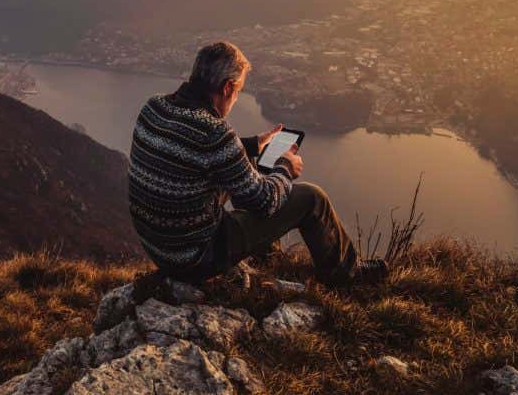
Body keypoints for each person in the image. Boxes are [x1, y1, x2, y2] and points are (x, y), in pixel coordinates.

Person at [128, 40, 387, 285]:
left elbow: (188, 149)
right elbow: (266, 202)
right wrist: (285, 168)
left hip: (159, 247)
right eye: (239, 91)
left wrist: (251, 145)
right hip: (196, 258)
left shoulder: (153, 107)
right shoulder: (215, 133)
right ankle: (346, 275)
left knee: (246, 165)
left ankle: (267, 256)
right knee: (312, 199)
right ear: (227, 88)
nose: (237, 98)